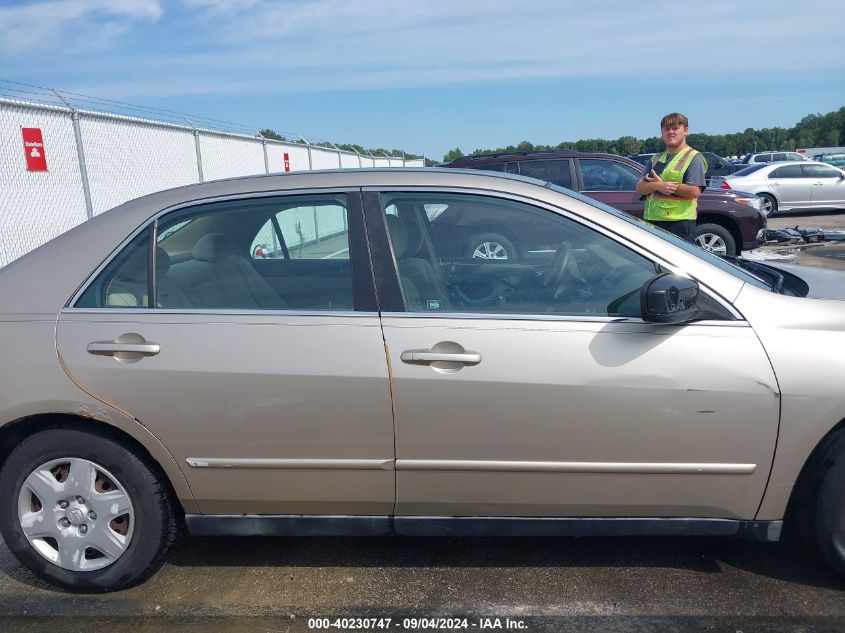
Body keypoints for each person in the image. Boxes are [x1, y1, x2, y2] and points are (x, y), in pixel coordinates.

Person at [635, 113, 707, 242]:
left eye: (675, 128)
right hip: (652, 222)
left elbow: (695, 191)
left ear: (686, 131)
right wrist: (657, 185)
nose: (670, 132)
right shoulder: (655, 158)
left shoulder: (693, 157)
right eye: (667, 129)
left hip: (679, 223)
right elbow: (640, 188)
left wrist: (667, 187)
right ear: (662, 133)